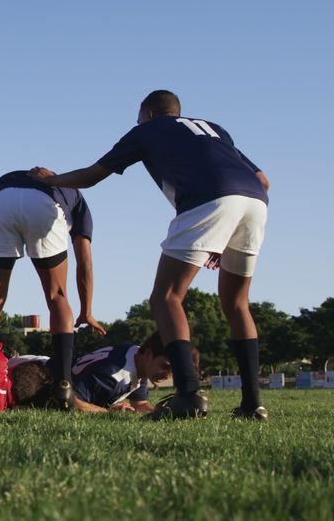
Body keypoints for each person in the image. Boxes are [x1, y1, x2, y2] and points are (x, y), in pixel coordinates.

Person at [30, 90, 270, 421]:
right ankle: (252, 404)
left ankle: (188, 394)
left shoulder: (147, 130)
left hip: (210, 198)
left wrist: (51, 179)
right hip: (255, 202)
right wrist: (224, 229)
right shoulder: (213, 127)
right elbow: (263, 179)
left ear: (149, 114)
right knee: (237, 303)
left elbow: (92, 175)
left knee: (166, 297)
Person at [0, 170, 100, 410]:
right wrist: (87, 310)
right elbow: (84, 261)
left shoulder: (6, 182)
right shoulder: (73, 194)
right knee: (57, 297)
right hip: (45, 205)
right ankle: (64, 385)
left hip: (2, 203)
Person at [11, 332, 188, 415]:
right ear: (149, 354)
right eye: (165, 366)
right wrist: (108, 412)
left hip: (42, 367)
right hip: (30, 376)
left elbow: (140, 403)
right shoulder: (113, 376)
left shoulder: (135, 355)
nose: (168, 374)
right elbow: (71, 402)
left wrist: (163, 413)